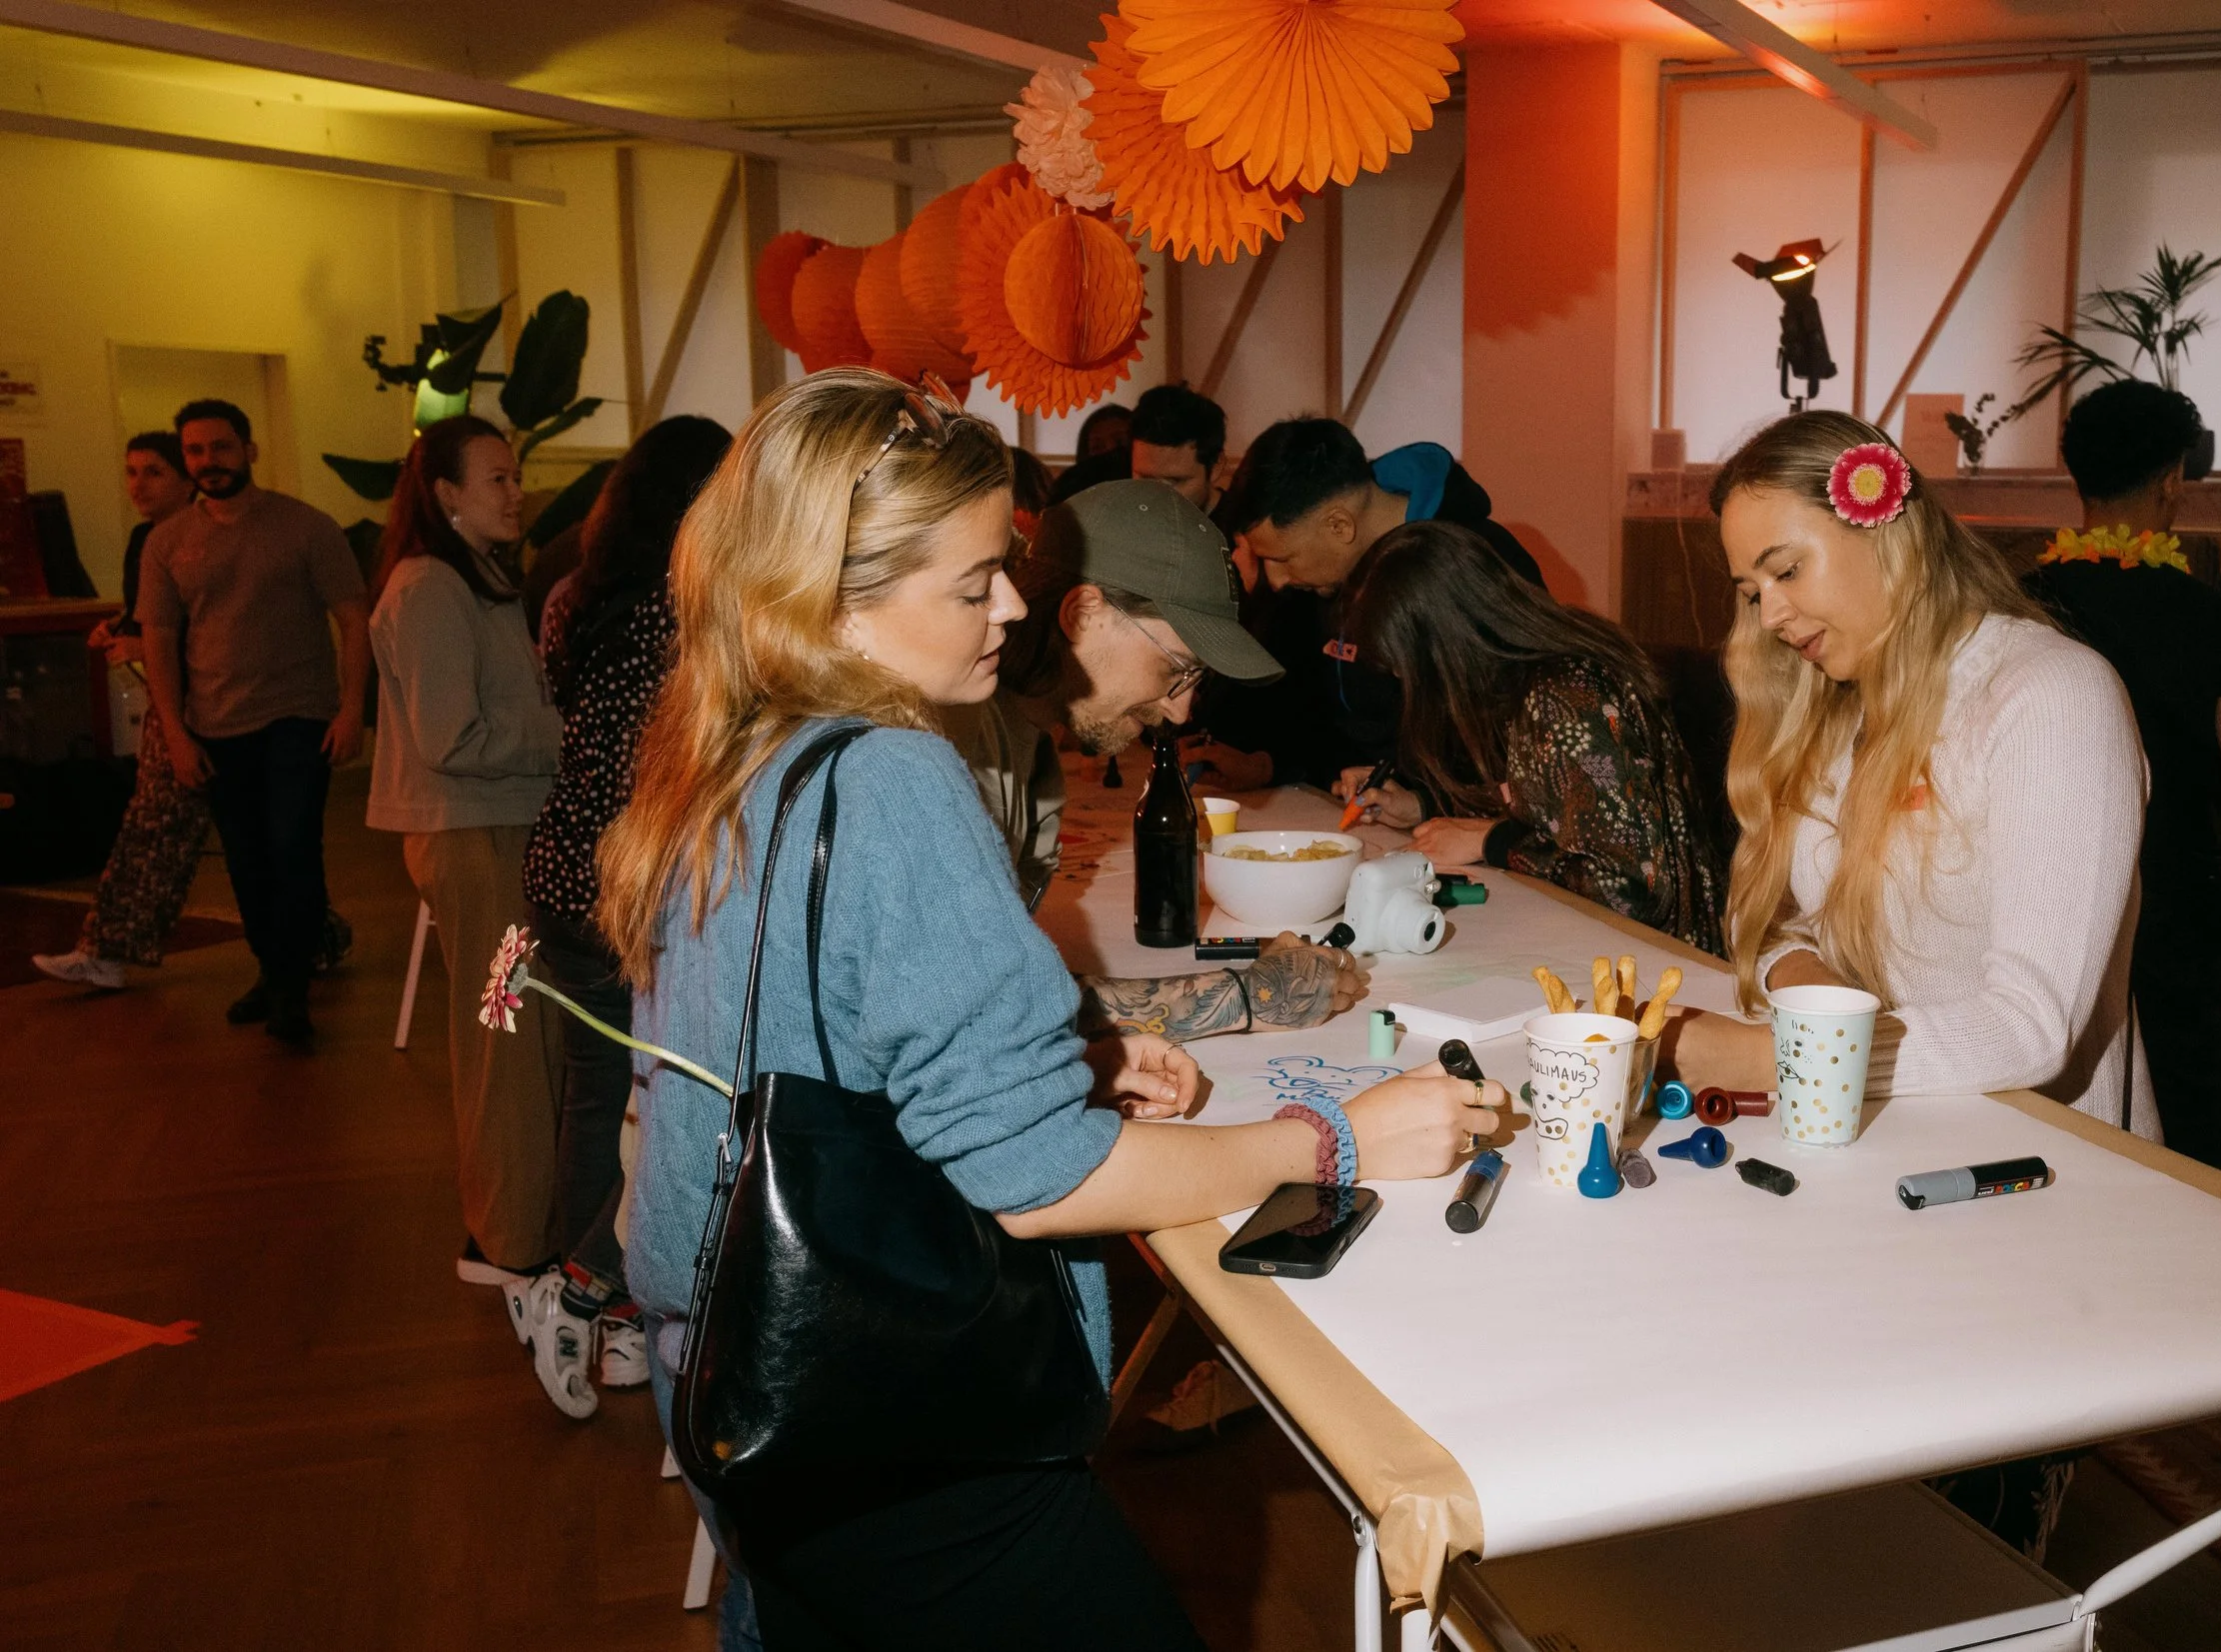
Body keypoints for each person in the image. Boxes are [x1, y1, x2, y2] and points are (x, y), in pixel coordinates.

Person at [600, 369, 1498, 1648]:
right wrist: (1337, 1140)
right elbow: (1041, 1181)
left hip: (735, 1362)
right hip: (885, 1414)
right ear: (837, 596)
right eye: (974, 584)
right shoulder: (893, 776)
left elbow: (808, 1035)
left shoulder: (731, 746)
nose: (1014, 608)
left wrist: (1052, 1060)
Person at [1665, 412, 2155, 1562]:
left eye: (1785, 569)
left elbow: (2031, 1030)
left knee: (1958, 1557)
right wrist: (1804, 988)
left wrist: (1766, 1052)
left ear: (1882, 518)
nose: (1769, 614)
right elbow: (1789, 922)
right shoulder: (1851, 705)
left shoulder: (2048, 696)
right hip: (1899, 1155)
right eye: (1749, 589)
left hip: (2041, 1195)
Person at [943, 480, 1368, 1038]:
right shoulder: (946, 750)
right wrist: (1246, 996)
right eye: (1177, 669)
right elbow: (971, 1007)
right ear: (1084, 614)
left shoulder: (1026, 742)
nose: (1181, 709)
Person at [514, 415, 732, 1418]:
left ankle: (586, 1301)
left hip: (566, 863)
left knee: (598, 1098)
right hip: (629, 881)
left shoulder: (583, 596)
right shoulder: (680, 614)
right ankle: (601, 1297)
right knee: (652, 1101)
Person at [2028, 382, 2221, 1170]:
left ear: (2075, 472)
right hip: (2170, 901)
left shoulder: (2016, 608)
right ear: (2174, 477)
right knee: (2181, 1124)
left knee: (2042, 1094)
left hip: (2039, 887)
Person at [366, 416, 566, 1293]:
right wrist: (569, 731)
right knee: (504, 1040)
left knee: (522, 1034)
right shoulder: (428, 587)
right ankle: (505, 1239)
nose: (516, 492)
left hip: (502, 828)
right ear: (446, 494)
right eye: (497, 478)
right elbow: (451, 737)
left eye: (515, 476)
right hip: (473, 835)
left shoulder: (473, 580)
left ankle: (522, 1221)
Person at [1329, 521, 1725, 951]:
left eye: (1403, 664)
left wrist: (1490, 841)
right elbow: (1554, 806)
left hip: (1663, 956)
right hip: (1603, 942)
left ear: (1444, 643)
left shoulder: (1566, 695)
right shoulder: (1527, 679)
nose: (1401, 678)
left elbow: (1629, 891)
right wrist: (1420, 806)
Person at [136, 399, 370, 1045]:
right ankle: (273, 970)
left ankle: (292, 991)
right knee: (245, 860)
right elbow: (158, 640)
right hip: (214, 725)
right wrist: (175, 733)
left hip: (299, 715)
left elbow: (354, 619)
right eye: (195, 451)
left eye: (220, 447)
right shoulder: (167, 542)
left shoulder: (306, 527)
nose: (208, 461)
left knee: (293, 848)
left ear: (249, 450)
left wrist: (352, 708)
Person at [1206, 417, 1541, 786]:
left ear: (1339, 525)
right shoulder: (1325, 577)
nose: (1276, 579)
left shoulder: (1480, 564)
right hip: (1351, 807)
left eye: (1282, 559)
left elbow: (1520, 750)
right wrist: (1270, 765)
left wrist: (1421, 802)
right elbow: (1320, 715)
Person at [34, 435, 202, 990]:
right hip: (171, 706)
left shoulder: (206, 539)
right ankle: (105, 950)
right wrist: (119, 628)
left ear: (186, 479)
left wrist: (145, 645)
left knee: (159, 829)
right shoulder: (144, 539)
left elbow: (213, 625)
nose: (138, 485)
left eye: (153, 472)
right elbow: (146, 613)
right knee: (156, 826)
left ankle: (105, 950)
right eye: (131, 472)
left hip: (211, 702)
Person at [1046, 382, 1227, 509]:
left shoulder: (1237, 532)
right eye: (1145, 479)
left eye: (1174, 481)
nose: (1157, 498)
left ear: (1216, 467)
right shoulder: (1124, 517)